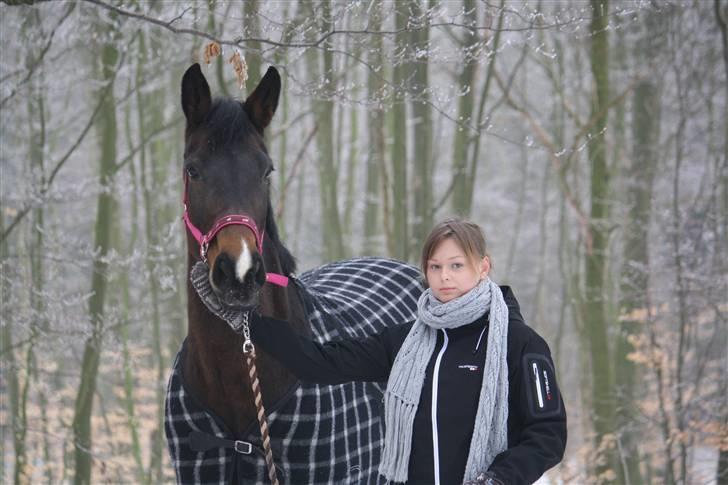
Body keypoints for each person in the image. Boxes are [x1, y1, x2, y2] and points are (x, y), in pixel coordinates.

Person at [217, 218, 566, 484]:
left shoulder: (519, 344)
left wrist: (498, 479)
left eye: (456, 265)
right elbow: (322, 363)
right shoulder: (406, 342)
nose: (445, 277)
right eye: (435, 267)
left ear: (483, 267)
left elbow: (547, 435)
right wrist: (247, 320)